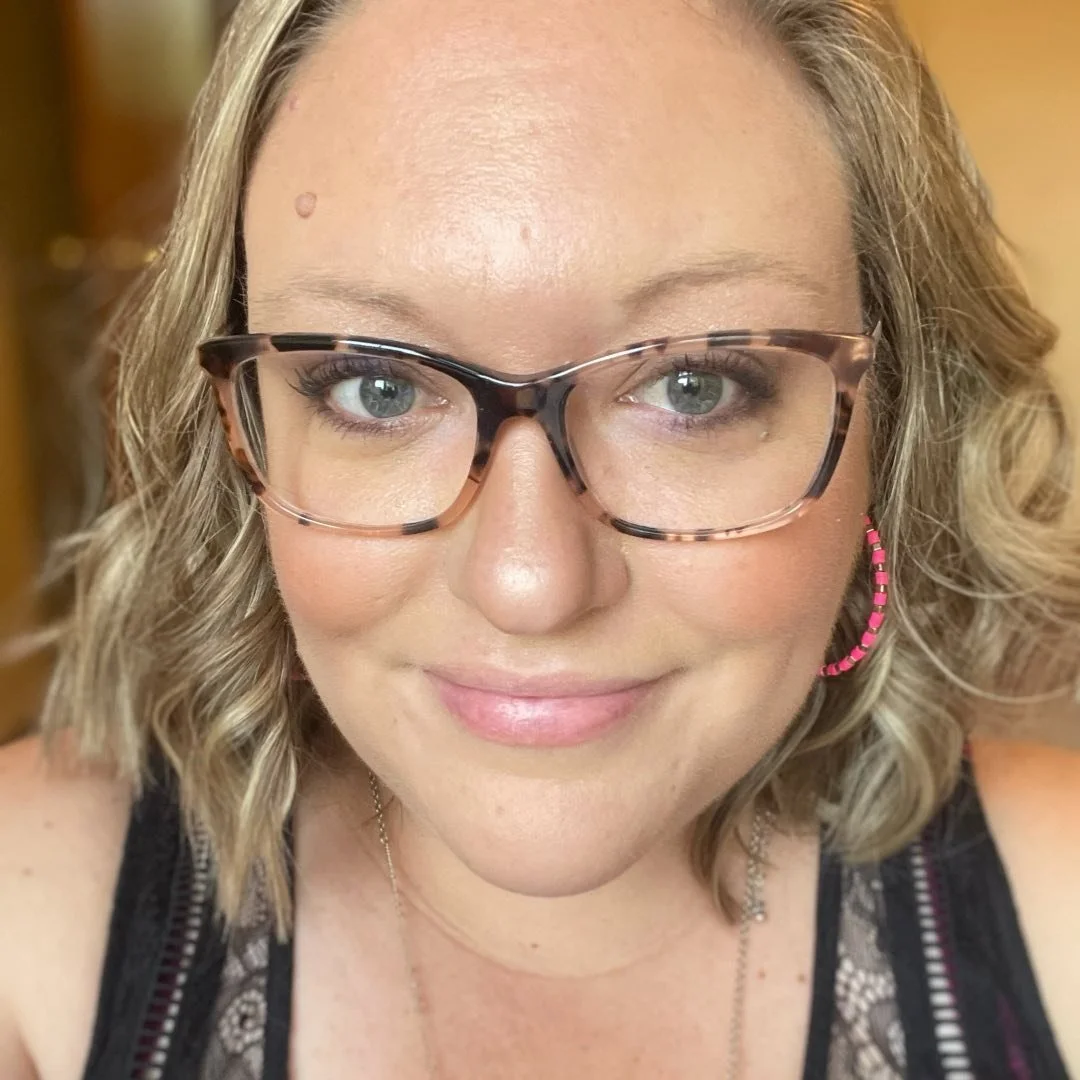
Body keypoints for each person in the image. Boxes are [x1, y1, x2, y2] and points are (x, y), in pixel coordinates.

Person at [1, 0, 1078, 1076]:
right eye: (377, 386)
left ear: (888, 431)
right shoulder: (32, 930)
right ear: (244, 435)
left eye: (695, 386)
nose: (530, 582)